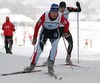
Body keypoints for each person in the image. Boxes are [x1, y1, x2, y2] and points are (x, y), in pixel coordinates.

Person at [24, 3, 69, 73]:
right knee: (39, 50)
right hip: (45, 31)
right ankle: (32, 66)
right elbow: (37, 26)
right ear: (50, 11)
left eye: (56, 12)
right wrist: (35, 37)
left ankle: (50, 66)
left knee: (54, 48)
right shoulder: (45, 15)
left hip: (54, 32)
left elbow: (67, 23)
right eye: (53, 12)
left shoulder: (60, 16)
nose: (54, 14)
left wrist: (65, 32)